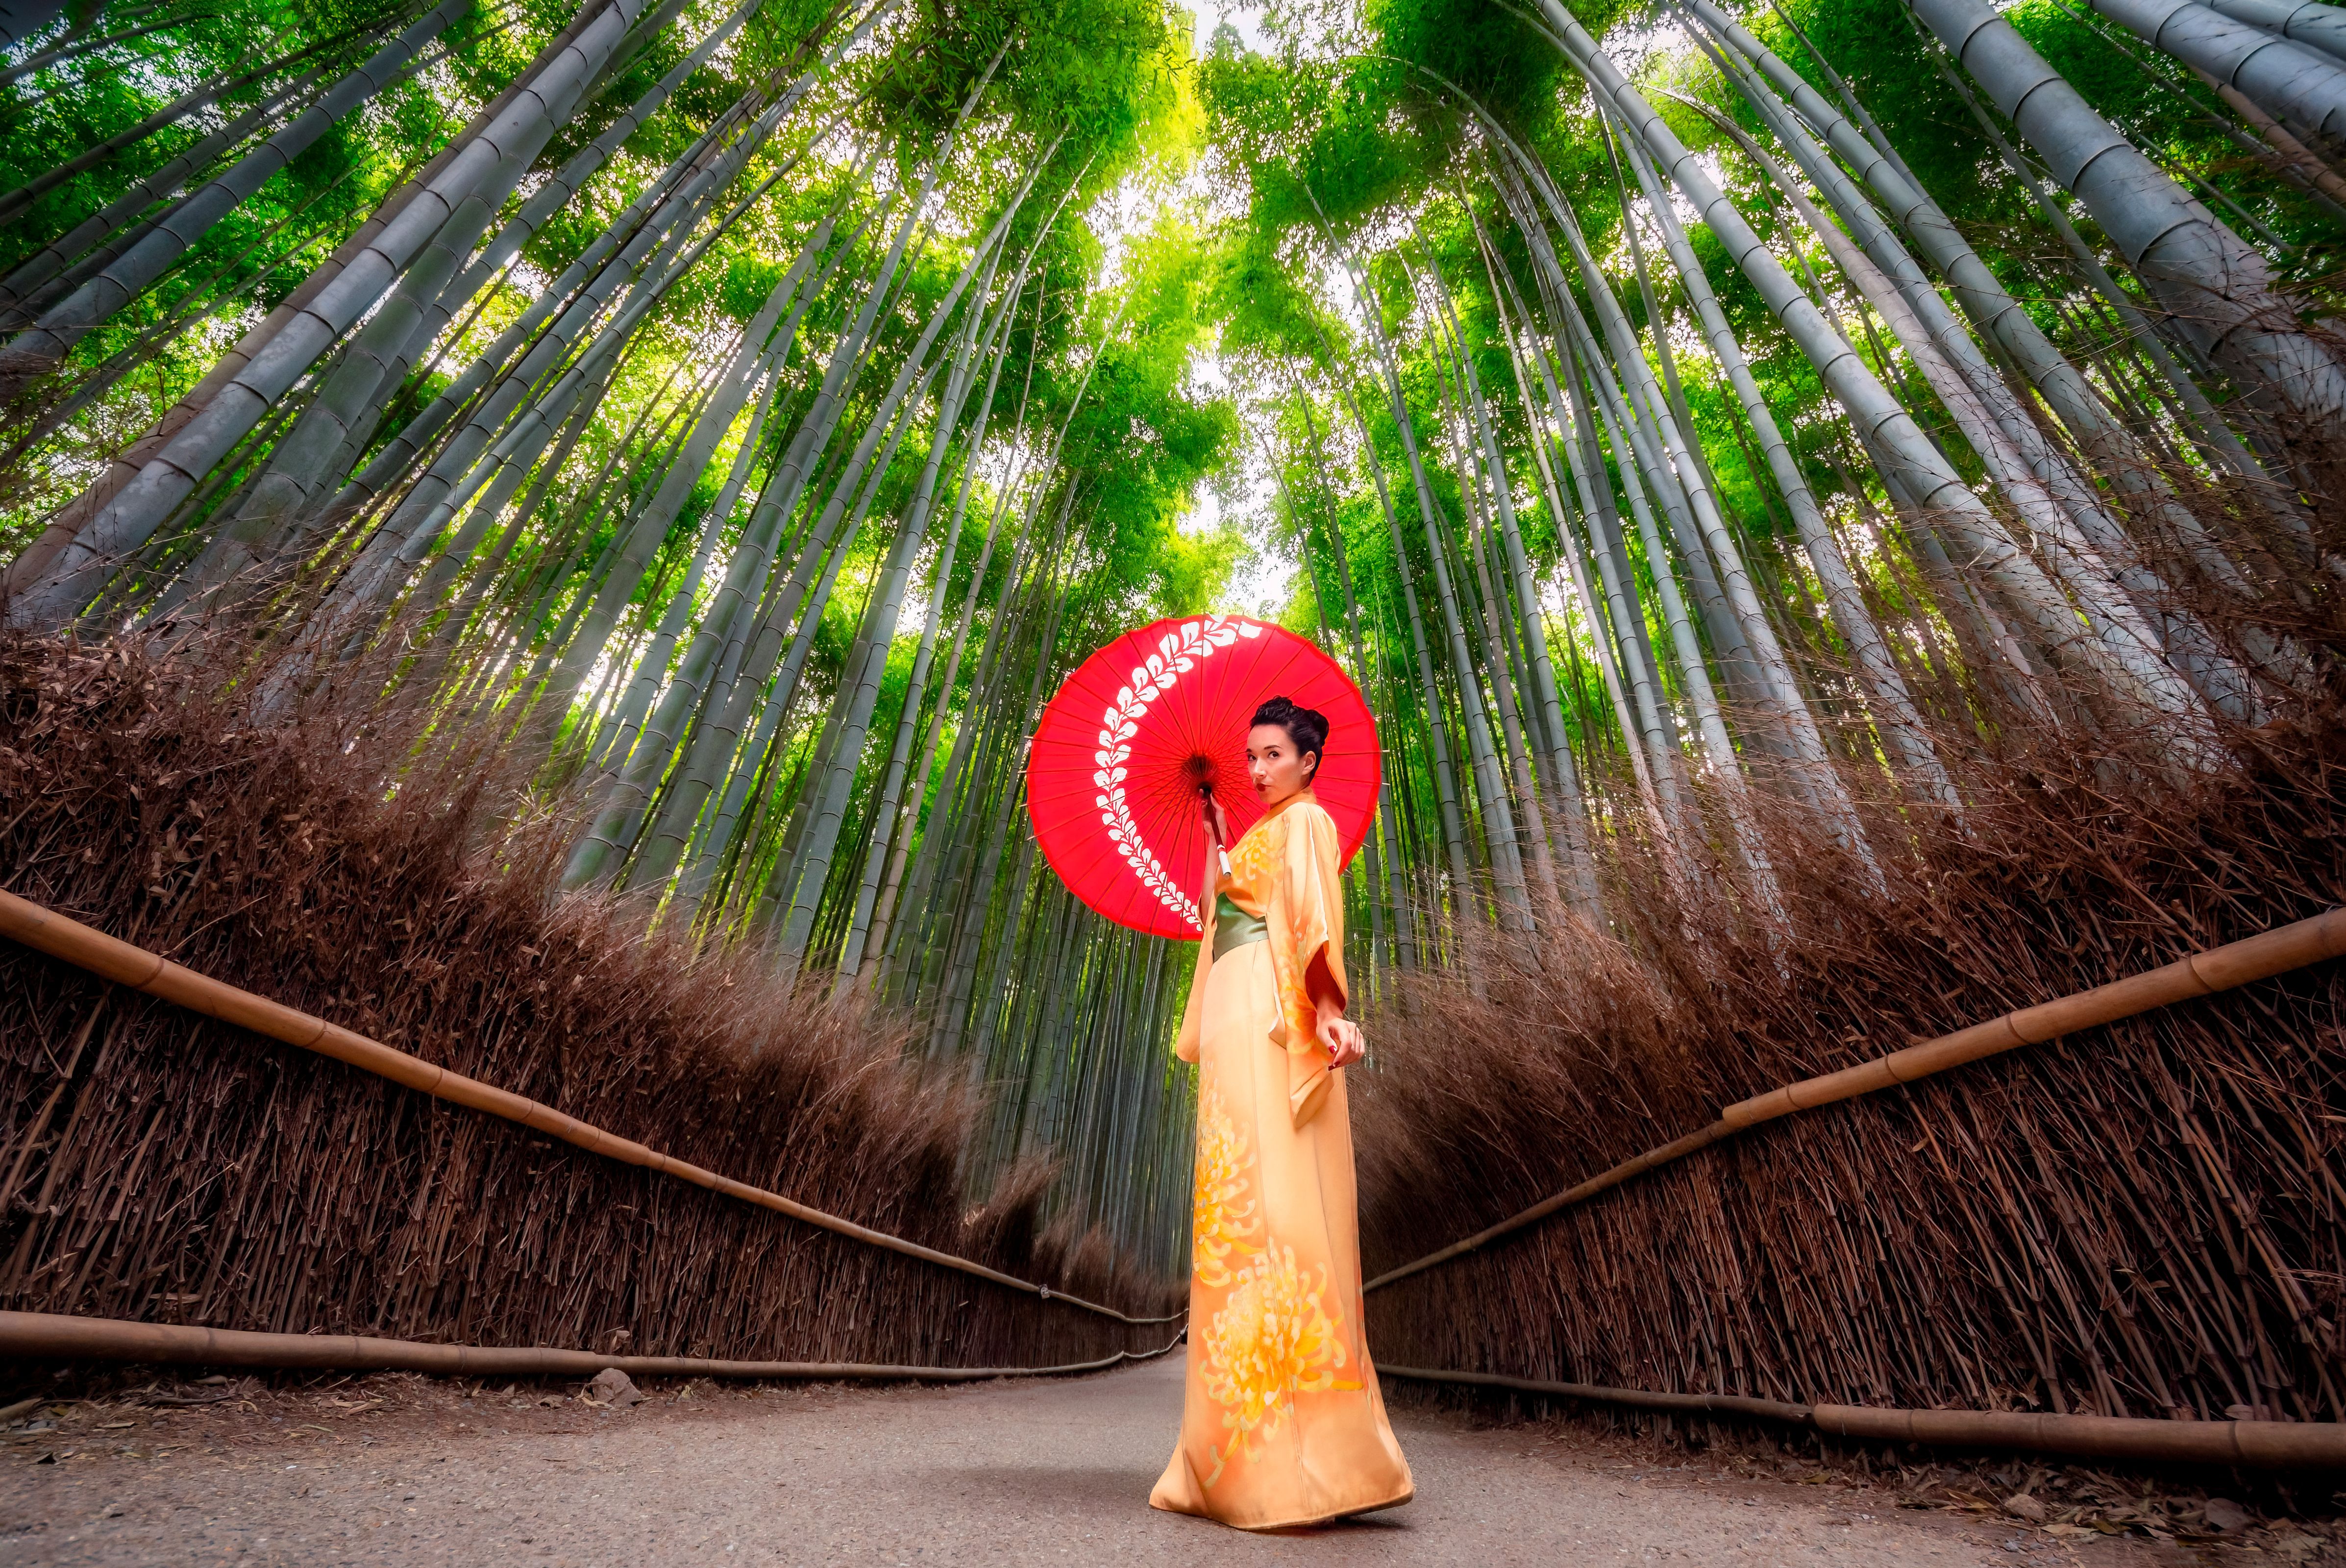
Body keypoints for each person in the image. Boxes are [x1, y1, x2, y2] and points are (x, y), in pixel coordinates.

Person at [1148, 695, 1414, 1530]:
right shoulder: (1259, 831)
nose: (1259, 768)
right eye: (1252, 755)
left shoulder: (1308, 825)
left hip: (1270, 1013)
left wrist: (1330, 1008)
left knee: (1280, 1212)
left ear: (1306, 760)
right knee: (1232, 1216)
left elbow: (1311, 915)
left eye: (1272, 755)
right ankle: (1227, 1456)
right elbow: (1215, 920)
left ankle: (1307, 1461)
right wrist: (1218, 843)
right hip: (1231, 1020)